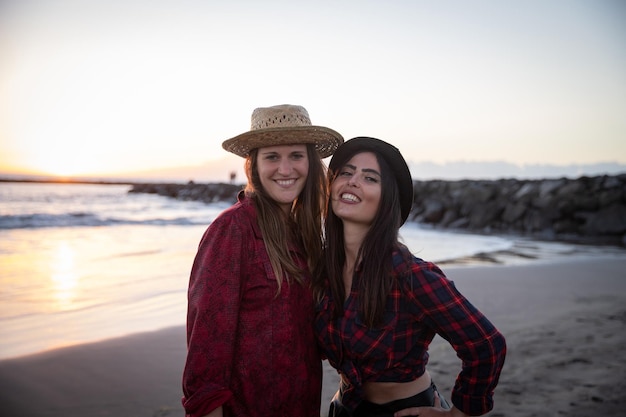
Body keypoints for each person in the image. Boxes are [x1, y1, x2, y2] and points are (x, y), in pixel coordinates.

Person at [312, 137, 506, 417]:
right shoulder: (322, 269)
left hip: (403, 410)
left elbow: (487, 346)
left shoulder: (410, 276)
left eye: (370, 178)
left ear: (387, 199)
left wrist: (460, 413)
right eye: (346, 172)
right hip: (345, 407)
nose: (353, 181)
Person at [182, 104, 343, 417]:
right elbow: (207, 344)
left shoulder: (304, 233)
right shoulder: (232, 230)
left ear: (310, 163)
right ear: (253, 165)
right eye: (272, 156)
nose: (285, 169)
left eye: (296, 155)